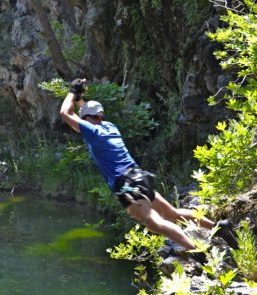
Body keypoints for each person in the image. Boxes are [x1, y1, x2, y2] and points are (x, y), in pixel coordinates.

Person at [59, 78, 238, 257]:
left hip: (125, 183)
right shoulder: (109, 127)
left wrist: (73, 90)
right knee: (172, 213)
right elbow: (84, 111)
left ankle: (198, 252)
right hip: (138, 175)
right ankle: (218, 227)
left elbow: (65, 113)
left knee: (153, 222)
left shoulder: (94, 132)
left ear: (88, 120)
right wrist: (79, 97)